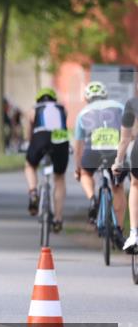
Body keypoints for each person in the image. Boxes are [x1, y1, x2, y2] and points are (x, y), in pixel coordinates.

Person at [74, 80, 126, 249]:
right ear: (105, 95)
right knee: (117, 187)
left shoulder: (82, 113)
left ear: (88, 99)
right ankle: (119, 229)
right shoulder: (119, 106)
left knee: (86, 174)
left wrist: (78, 168)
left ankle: (92, 199)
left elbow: (79, 145)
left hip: (93, 150)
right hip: (115, 150)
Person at [24, 88, 69, 231]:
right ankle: (58, 218)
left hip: (40, 136)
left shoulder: (34, 109)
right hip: (60, 138)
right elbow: (64, 125)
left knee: (30, 165)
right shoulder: (62, 108)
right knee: (59, 177)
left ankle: (33, 192)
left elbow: (29, 131)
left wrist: (29, 144)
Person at [112, 77, 138, 253]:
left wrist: (118, 162)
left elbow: (125, 139)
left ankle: (135, 233)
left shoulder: (132, 103)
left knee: (135, 184)